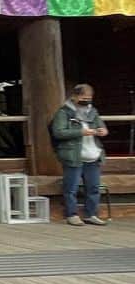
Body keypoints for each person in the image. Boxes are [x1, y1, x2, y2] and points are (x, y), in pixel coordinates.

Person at [50, 83, 108, 226]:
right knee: (71, 187)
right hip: (73, 155)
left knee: (94, 188)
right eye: (84, 97)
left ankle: (91, 214)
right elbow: (58, 132)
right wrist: (81, 132)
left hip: (93, 154)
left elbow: (102, 127)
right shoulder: (63, 112)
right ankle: (71, 214)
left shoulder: (93, 111)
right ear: (75, 96)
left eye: (89, 98)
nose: (86, 100)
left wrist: (102, 131)